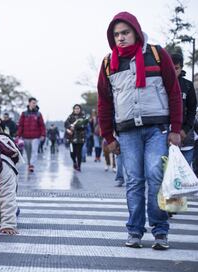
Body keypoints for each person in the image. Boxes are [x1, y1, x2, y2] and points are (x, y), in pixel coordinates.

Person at [97, 11, 182, 250]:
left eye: (125, 32)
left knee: (155, 177)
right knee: (134, 181)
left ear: (135, 31)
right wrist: (108, 136)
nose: (121, 38)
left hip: (157, 128)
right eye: (116, 35)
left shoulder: (157, 55)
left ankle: (160, 230)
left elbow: (174, 93)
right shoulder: (108, 64)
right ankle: (134, 230)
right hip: (127, 132)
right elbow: (104, 103)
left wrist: (176, 128)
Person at [171, 53, 196, 166]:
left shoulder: (188, 86)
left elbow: (192, 111)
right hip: (165, 138)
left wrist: (185, 130)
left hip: (186, 138)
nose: (173, 71)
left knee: (184, 176)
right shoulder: (160, 84)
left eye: (176, 68)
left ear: (181, 68)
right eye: (171, 67)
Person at [17, 97, 46, 172]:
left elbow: (42, 125)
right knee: (28, 152)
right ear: (29, 103)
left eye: (35, 103)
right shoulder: (24, 114)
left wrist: (43, 135)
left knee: (34, 151)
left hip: (36, 137)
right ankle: (29, 164)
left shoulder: (38, 114)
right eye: (33, 102)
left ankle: (32, 165)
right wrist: (18, 135)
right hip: (26, 137)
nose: (34, 104)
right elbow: (20, 125)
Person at [64, 104, 88, 172]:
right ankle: (74, 162)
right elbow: (66, 123)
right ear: (73, 109)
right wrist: (69, 127)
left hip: (80, 138)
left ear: (80, 109)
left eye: (78, 108)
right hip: (71, 138)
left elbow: (85, 125)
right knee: (72, 153)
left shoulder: (83, 116)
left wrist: (78, 126)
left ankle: (79, 166)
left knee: (79, 152)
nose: (77, 110)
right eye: (75, 108)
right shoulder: (70, 116)